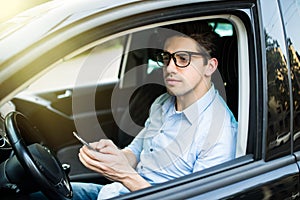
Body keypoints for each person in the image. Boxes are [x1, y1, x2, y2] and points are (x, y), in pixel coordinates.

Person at [71, 22, 238, 200]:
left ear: (210, 66)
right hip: (114, 192)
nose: (170, 68)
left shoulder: (220, 132)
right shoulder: (162, 103)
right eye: (167, 58)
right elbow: (136, 151)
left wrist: (125, 175)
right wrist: (115, 156)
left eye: (183, 59)